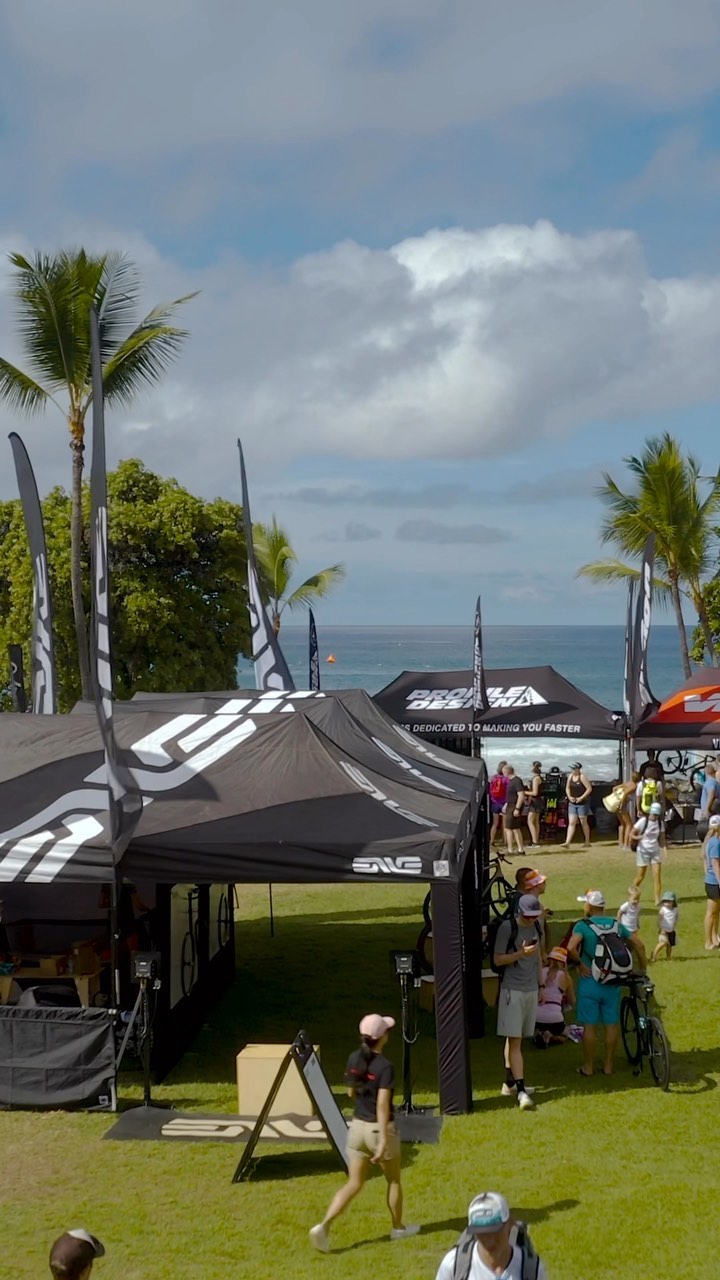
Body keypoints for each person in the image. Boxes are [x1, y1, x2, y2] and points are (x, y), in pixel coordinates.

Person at [309, 1013, 419, 1251]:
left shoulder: (354, 1058)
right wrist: (383, 1141)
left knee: (354, 1183)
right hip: (378, 1130)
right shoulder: (385, 1067)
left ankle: (324, 1226)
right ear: (383, 1037)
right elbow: (382, 1105)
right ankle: (398, 1228)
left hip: (357, 1128)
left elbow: (351, 1092)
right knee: (394, 1180)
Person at [568, 889, 646, 1077]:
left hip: (590, 981)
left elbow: (570, 947)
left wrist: (580, 964)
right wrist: (642, 968)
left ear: (589, 906)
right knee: (611, 1024)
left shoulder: (582, 926)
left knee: (589, 1026)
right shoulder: (615, 925)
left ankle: (588, 1066)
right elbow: (639, 944)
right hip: (612, 981)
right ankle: (609, 1065)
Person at [494, 894, 544, 1109]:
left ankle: (510, 1084)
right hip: (512, 988)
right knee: (514, 1040)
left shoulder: (537, 926)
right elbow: (498, 959)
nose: (531, 919)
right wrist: (521, 953)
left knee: (516, 1039)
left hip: (531, 988)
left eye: (534, 916)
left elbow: (539, 956)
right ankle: (521, 1091)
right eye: (528, 916)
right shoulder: (507, 928)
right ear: (520, 912)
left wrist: (541, 985)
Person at [434, 1192, 547, 1280]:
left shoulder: (531, 1268)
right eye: (482, 1233)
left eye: (495, 1231)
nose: (489, 1241)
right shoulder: (454, 1265)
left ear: (510, 1224)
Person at [534, 945, 574, 1047]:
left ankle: (541, 1033)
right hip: (555, 1018)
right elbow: (572, 1001)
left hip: (536, 1016)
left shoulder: (540, 972)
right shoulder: (566, 977)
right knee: (565, 1036)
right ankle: (550, 1036)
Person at [630, 800, 666, 904]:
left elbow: (662, 839)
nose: (655, 817)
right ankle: (632, 891)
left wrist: (664, 849)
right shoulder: (643, 821)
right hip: (643, 851)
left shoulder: (660, 823)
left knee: (657, 875)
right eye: (653, 814)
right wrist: (639, 837)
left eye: (657, 815)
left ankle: (657, 899)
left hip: (655, 851)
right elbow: (631, 834)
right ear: (650, 812)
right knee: (641, 876)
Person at [702, 814, 720, 950]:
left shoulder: (712, 841)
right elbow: (715, 864)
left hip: (712, 880)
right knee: (711, 912)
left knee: (716, 912)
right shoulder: (715, 843)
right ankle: (708, 942)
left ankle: (714, 938)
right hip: (714, 882)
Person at [564, 763, 592, 849]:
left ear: (578, 769)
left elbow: (589, 789)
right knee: (571, 822)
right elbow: (567, 788)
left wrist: (581, 798)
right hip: (572, 803)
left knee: (583, 822)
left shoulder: (582, 777)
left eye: (573, 769)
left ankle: (587, 841)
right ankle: (567, 842)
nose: (572, 770)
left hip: (582, 803)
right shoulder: (570, 776)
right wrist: (569, 796)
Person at [503, 766, 527, 856]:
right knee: (510, 828)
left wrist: (517, 808)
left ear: (507, 772)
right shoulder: (511, 781)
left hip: (514, 806)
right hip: (510, 805)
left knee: (512, 828)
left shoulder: (517, 781)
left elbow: (521, 795)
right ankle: (515, 849)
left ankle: (516, 849)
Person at [652, 891, 679, 962]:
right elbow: (659, 920)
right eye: (665, 902)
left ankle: (668, 957)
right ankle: (654, 955)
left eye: (669, 902)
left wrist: (675, 924)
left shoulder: (675, 909)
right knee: (663, 942)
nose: (667, 904)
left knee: (669, 945)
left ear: (673, 902)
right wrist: (661, 929)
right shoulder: (663, 910)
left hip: (671, 930)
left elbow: (676, 916)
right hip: (663, 930)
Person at [489, 761, 508, 846]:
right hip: (504, 803)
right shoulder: (506, 779)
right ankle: (505, 841)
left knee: (495, 824)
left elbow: (490, 790)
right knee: (504, 824)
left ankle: (492, 840)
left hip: (494, 803)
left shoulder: (493, 778)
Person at [526, 761, 544, 849]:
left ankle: (534, 841)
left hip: (535, 801)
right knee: (535, 821)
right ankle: (535, 839)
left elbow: (535, 792)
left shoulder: (536, 778)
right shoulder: (538, 777)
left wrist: (525, 792)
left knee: (530, 821)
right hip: (538, 801)